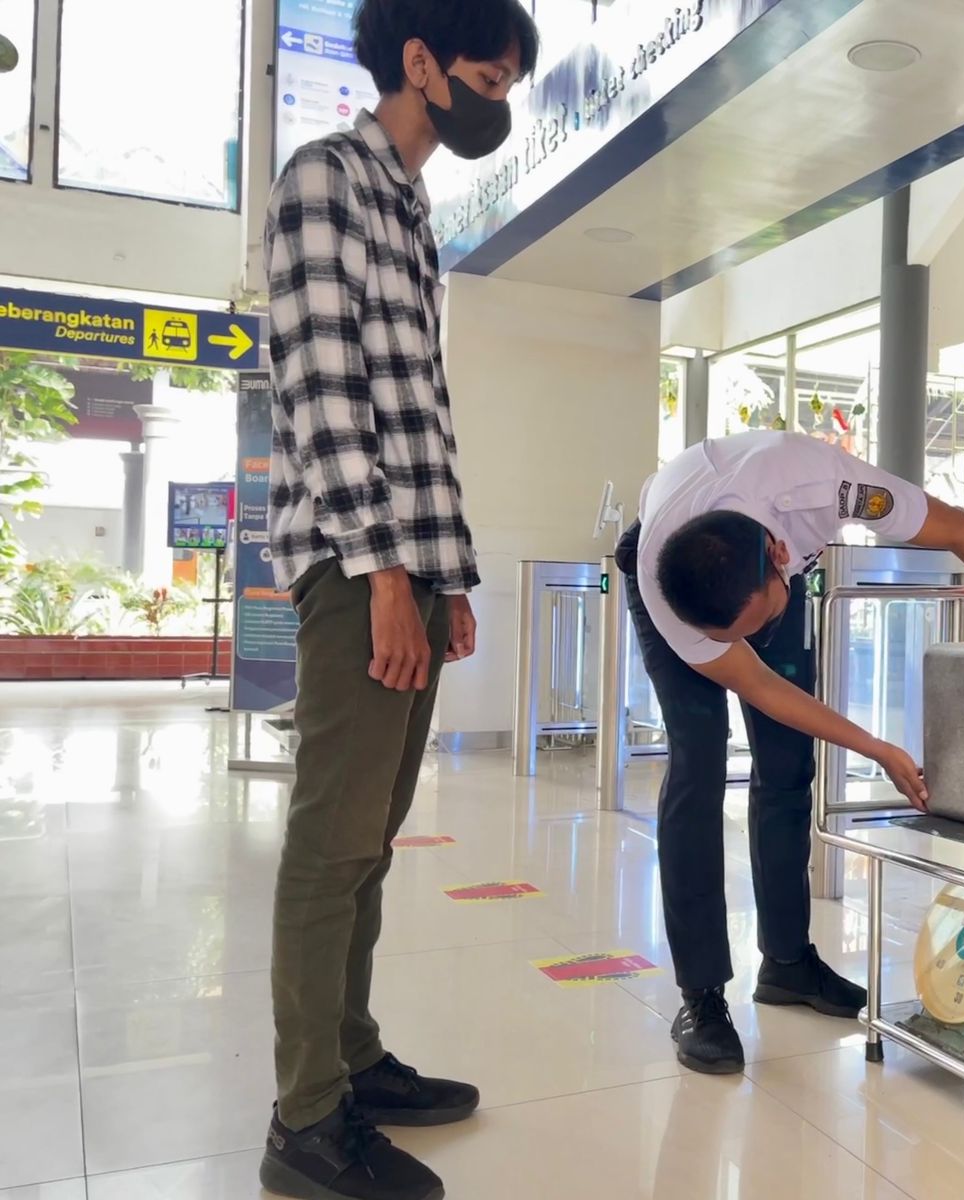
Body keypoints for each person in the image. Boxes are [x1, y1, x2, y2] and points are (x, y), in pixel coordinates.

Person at [616, 430, 964, 1075]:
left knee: (787, 767)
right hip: (675, 558)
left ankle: (787, 964)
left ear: (783, 555)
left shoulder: (826, 487)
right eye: (735, 637)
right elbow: (755, 683)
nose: (747, 643)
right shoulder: (674, 595)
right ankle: (701, 997)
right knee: (697, 764)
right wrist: (873, 746)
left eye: (755, 626)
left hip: (750, 562)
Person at [258, 3, 537, 1199]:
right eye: (485, 73)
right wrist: (381, 572)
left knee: (368, 843)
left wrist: (444, 574)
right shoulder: (326, 178)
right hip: (349, 564)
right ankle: (304, 1125)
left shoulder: (411, 205)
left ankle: (353, 1061)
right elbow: (324, 395)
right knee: (331, 848)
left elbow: (415, 411)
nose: (498, 97)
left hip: (402, 564)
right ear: (417, 63)